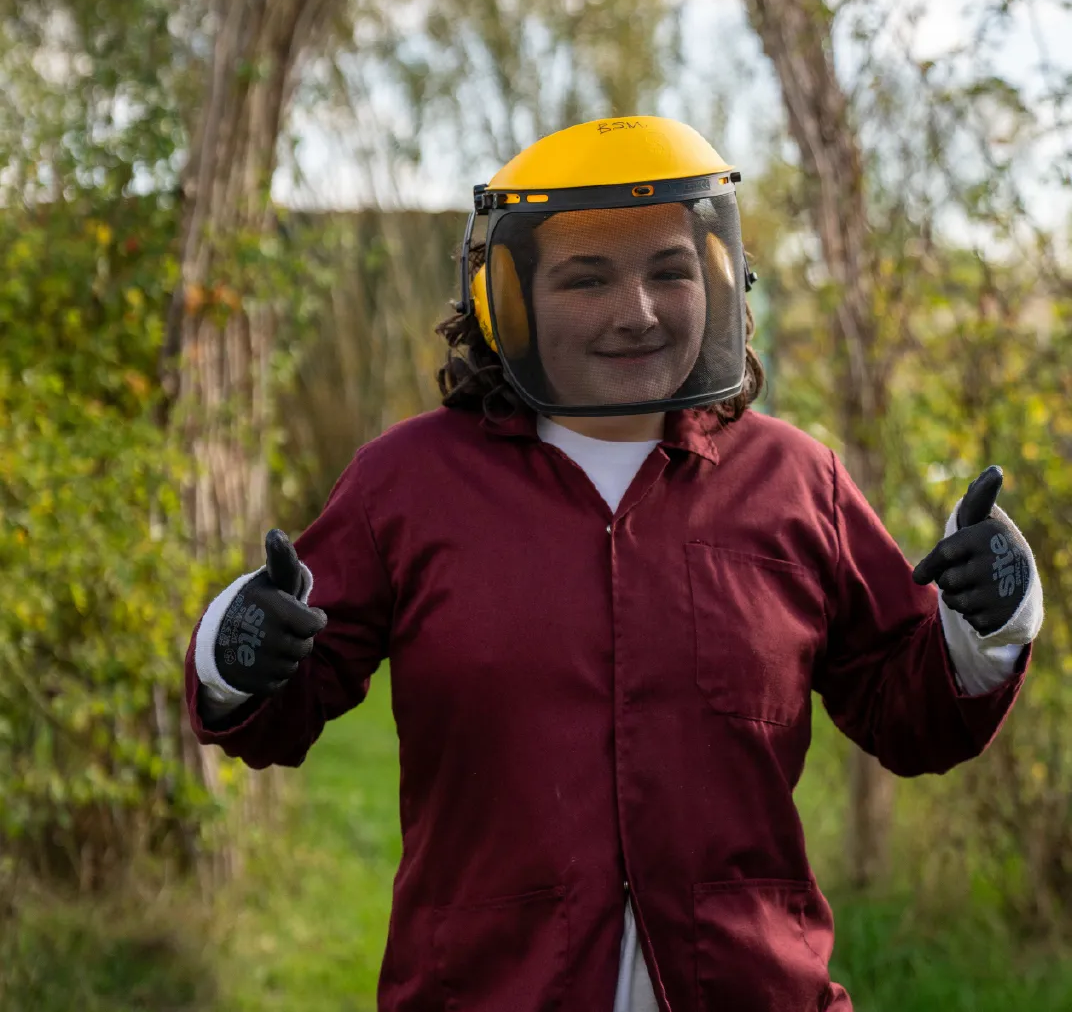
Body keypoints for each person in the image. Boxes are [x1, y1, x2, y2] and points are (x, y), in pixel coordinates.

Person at [185, 115, 1044, 1012]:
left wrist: (987, 623)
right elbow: (279, 713)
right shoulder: (405, 484)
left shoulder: (797, 480)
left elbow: (907, 711)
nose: (635, 311)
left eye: (668, 271)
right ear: (504, 302)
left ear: (719, 280)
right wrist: (233, 656)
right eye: (586, 278)